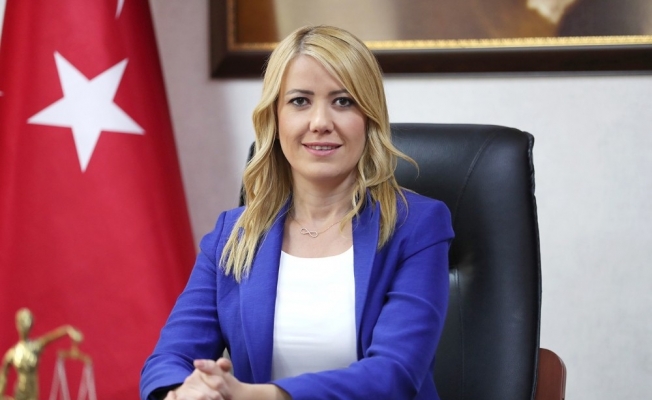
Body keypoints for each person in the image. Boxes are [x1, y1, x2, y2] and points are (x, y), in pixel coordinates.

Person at [140, 25, 453, 400]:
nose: (320, 122)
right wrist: (181, 393)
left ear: (369, 118)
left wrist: (257, 396)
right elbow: (169, 359)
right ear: (275, 118)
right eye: (300, 101)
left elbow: (393, 375)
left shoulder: (416, 226)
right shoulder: (234, 236)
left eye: (343, 101)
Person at [0, 308, 82, 400]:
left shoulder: (35, 347)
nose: (24, 326)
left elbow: (51, 337)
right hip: (20, 392)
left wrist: (68, 330)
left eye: (27, 321)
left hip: (32, 392)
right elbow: (3, 376)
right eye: (22, 322)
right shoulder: (13, 353)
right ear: (18, 325)